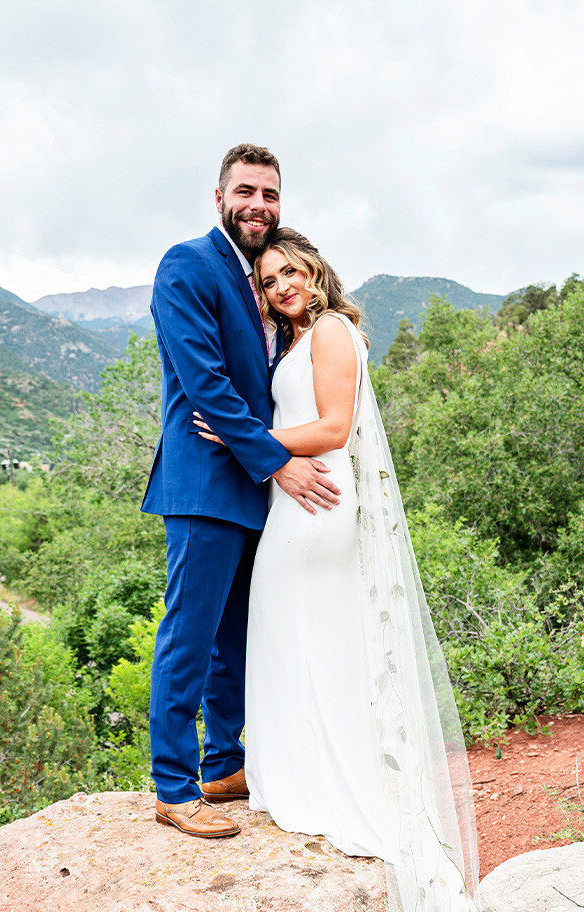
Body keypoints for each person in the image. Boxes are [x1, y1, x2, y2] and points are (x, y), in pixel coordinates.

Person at [195, 229, 569, 912]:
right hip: (306, 507)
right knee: (295, 644)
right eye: (267, 277)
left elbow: (328, 430)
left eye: (291, 271)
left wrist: (240, 437)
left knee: (295, 632)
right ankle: (299, 768)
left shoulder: (327, 333)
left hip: (315, 514)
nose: (281, 285)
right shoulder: (300, 336)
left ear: (315, 272)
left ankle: (315, 780)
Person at [141, 145, 340, 840]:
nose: (259, 204)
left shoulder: (257, 277)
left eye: (271, 194)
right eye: (247, 190)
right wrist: (276, 462)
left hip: (254, 493)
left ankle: (227, 764)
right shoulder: (187, 264)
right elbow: (206, 384)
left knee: (236, 640)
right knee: (189, 637)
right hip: (204, 484)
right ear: (219, 195)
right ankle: (173, 784)